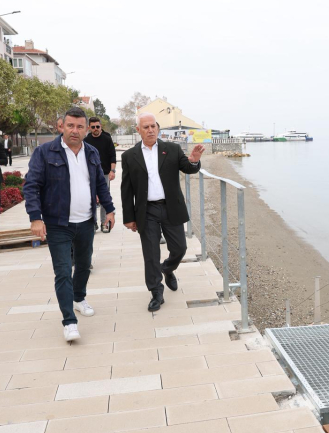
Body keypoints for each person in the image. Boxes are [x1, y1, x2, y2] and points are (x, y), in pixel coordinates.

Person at [23, 107, 116, 341]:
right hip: (57, 224)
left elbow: (100, 184)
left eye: (80, 126)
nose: (75, 130)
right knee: (63, 271)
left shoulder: (92, 152)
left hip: (86, 221)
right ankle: (69, 321)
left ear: (86, 130)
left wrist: (110, 210)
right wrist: (35, 218)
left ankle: (79, 298)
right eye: (70, 125)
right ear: (62, 126)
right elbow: (31, 186)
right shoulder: (45, 152)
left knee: (84, 265)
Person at [121, 112, 204, 311]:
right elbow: (126, 189)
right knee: (151, 253)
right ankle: (156, 292)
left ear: (158, 128)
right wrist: (129, 217)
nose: (150, 130)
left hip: (171, 207)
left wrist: (194, 161)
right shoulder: (129, 156)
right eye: (146, 127)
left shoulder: (172, 149)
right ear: (138, 130)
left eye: (153, 126)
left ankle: (167, 269)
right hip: (147, 211)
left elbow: (188, 168)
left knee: (180, 248)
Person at [83, 117, 117, 232]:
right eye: (93, 127)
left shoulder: (107, 139)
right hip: (90, 174)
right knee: (91, 198)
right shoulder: (86, 141)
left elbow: (112, 155)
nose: (96, 129)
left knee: (104, 197)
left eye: (97, 126)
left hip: (105, 173)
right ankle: (93, 223)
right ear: (89, 128)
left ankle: (104, 223)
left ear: (101, 126)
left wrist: (112, 171)